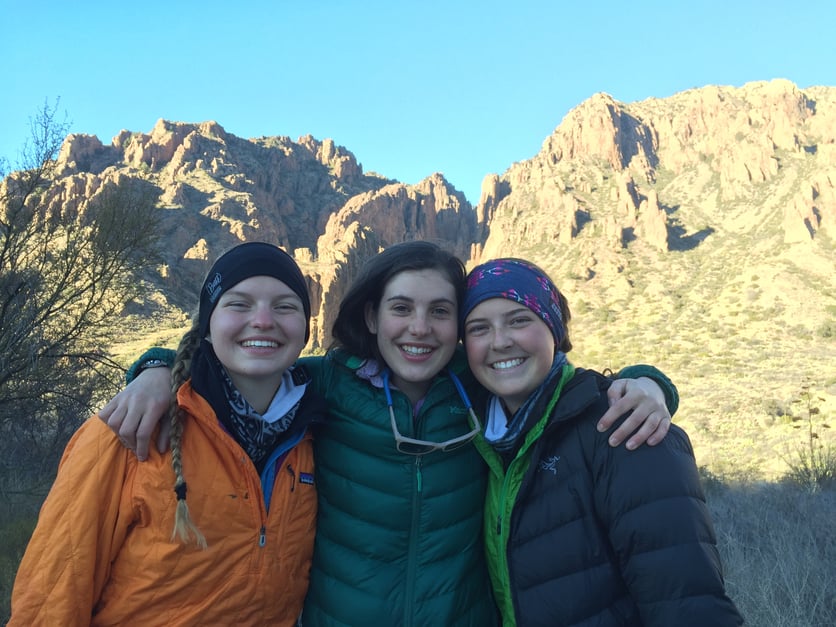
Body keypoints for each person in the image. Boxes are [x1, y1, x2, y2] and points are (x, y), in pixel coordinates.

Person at [99, 241, 679, 625]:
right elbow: (235, 364)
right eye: (401, 309)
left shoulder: (481, 392)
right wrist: (152, 370)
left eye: (441, 312)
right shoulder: (323, 384)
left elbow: (560, 382)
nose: (419, 330)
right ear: (373, 317)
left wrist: (649, 383)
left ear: (459, 326)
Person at [10, 242, 327, 625]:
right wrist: (158, 369)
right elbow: (53, 592)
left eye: (285, 306)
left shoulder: (315, 434)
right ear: (207, 325)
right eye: (238, 304)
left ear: (306, 329)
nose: (263, 320)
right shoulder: (128, 428)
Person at [460, 258, 743, 626]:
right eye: (479, 328)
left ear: (554, 328)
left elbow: (688, 604)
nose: (500, 341)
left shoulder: (627, 428)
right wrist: (653, 380)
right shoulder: (474, 434)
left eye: (519, 320)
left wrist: (651, 385)